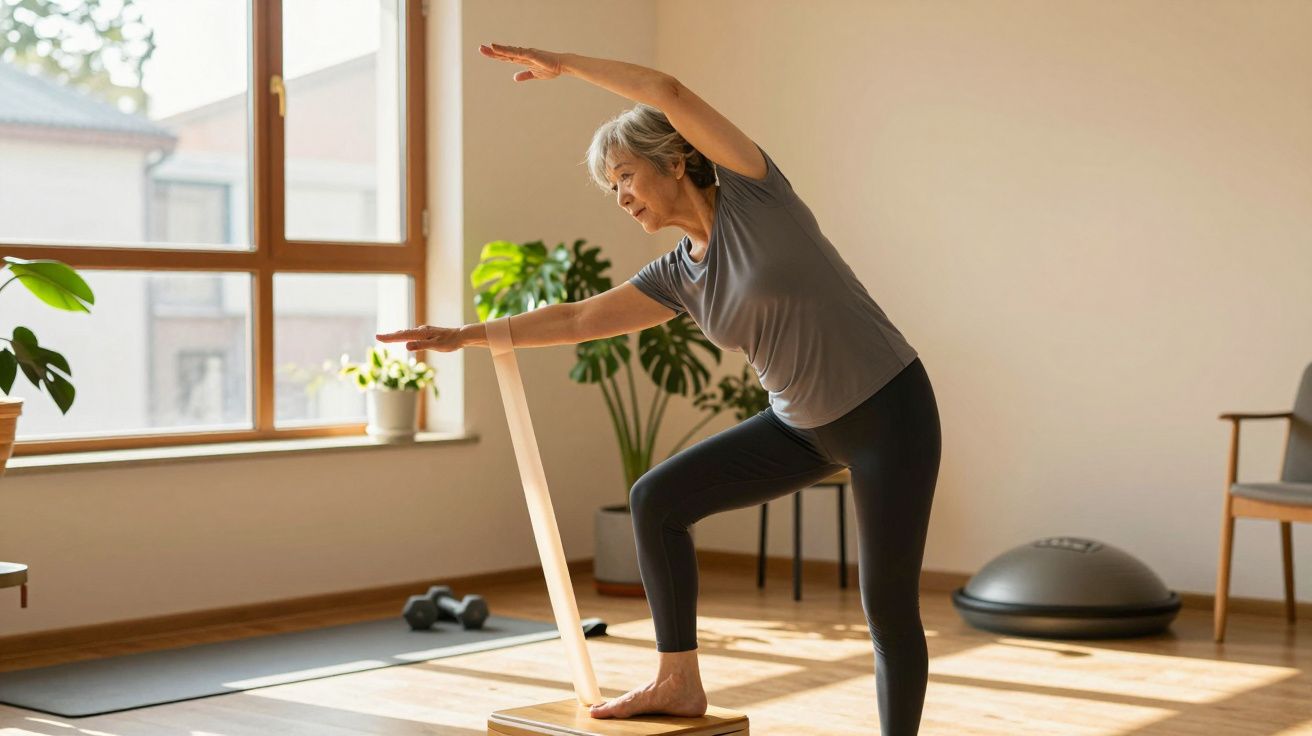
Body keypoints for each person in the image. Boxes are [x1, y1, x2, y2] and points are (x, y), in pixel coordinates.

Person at [377, 43, 942, 736]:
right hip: (801, 427)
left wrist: (561, 63)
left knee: (885, 606)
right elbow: (581, 318)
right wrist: (467, 334)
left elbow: (666, 89)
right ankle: (678, 681)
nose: (619, 196)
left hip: (890, 410)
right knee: (658, 500)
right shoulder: (678, 275)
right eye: (609, 187)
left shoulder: (756, 193)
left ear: (674, 162)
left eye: (624, 175)